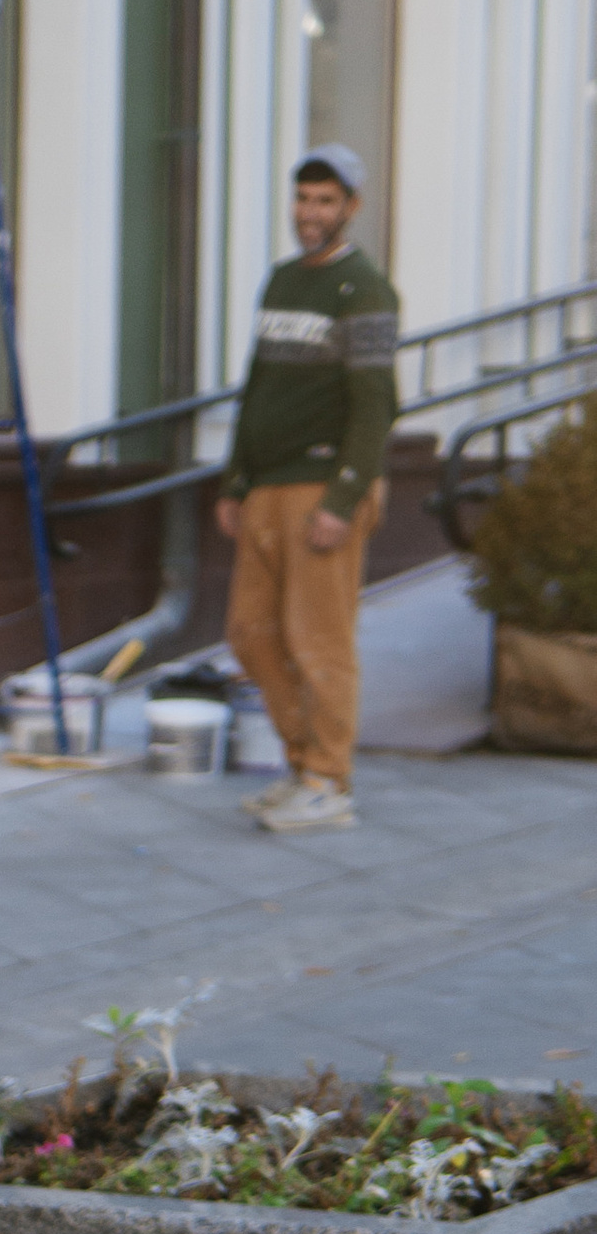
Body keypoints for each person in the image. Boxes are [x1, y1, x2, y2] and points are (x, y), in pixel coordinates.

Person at [219, 145, 400, 835]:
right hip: (266, 486)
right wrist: (235, 479)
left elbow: (375, 403)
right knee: (249, 634)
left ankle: (329, 779)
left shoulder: (365, 289)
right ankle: (303, 768)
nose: (311, 213)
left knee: (318, 639)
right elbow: (257, 385)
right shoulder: (282, 280)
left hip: (322, 489)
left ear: (351, 208)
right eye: (304, 199)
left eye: (327, 201)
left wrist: (343, 497)